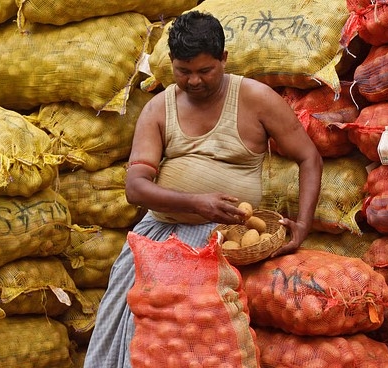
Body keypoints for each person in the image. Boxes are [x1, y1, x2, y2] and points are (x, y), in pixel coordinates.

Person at [83, 10, 323, 368]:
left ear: (223, 59)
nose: (193, 81)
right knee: (128, 323)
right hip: (157, 233)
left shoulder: (255, 99)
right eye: (183, 71)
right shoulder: (158, 108)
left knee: (192, 341)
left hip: (222, 236)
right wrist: (196, 203)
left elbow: (309, 158)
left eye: (204, 71)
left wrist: (302, 226)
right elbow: (135, 188)